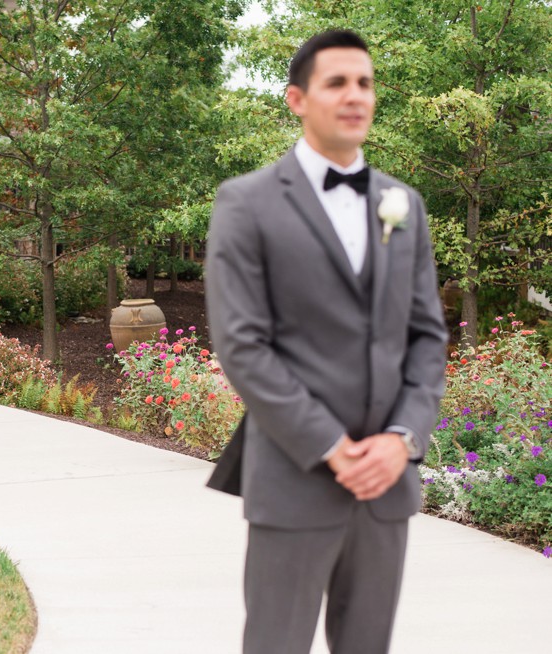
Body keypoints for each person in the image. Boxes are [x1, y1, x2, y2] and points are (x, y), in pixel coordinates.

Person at [204, 30, 448, 653]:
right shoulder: (246, 202)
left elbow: (426, 339)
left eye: (364, 83)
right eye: (336, 82)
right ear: (296, 99)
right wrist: (334, 448)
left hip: (386, 487)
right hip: (295, 478)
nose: (354, 96)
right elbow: (243, 345)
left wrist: (402, 440)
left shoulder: (404, 205)